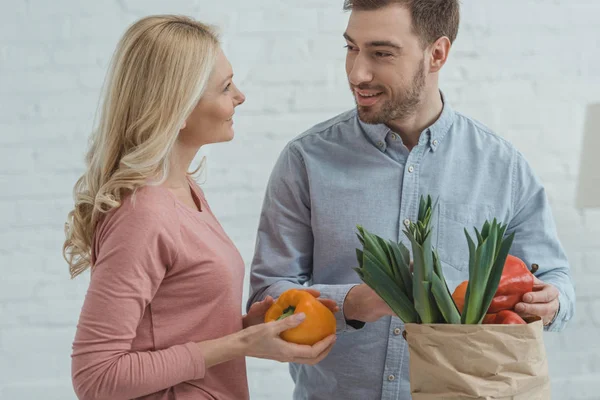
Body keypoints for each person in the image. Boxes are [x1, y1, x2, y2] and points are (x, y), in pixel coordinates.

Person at [247, 1, 576, 399]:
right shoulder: (306, 160)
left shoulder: (501, 166)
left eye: (381, 53)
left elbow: (555, 279)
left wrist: (551, 303)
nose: (357, 73)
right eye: (351, 48)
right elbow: (266, 296)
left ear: (437, 54)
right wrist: (350, 302)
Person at [63, 15, 337, 400]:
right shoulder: (144, 215)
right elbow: (96, 376)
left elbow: (172, 331)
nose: (240, 96)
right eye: (225, 88)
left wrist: (249, 330)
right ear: (179, 108)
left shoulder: (184, 190)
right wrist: (240, 343)